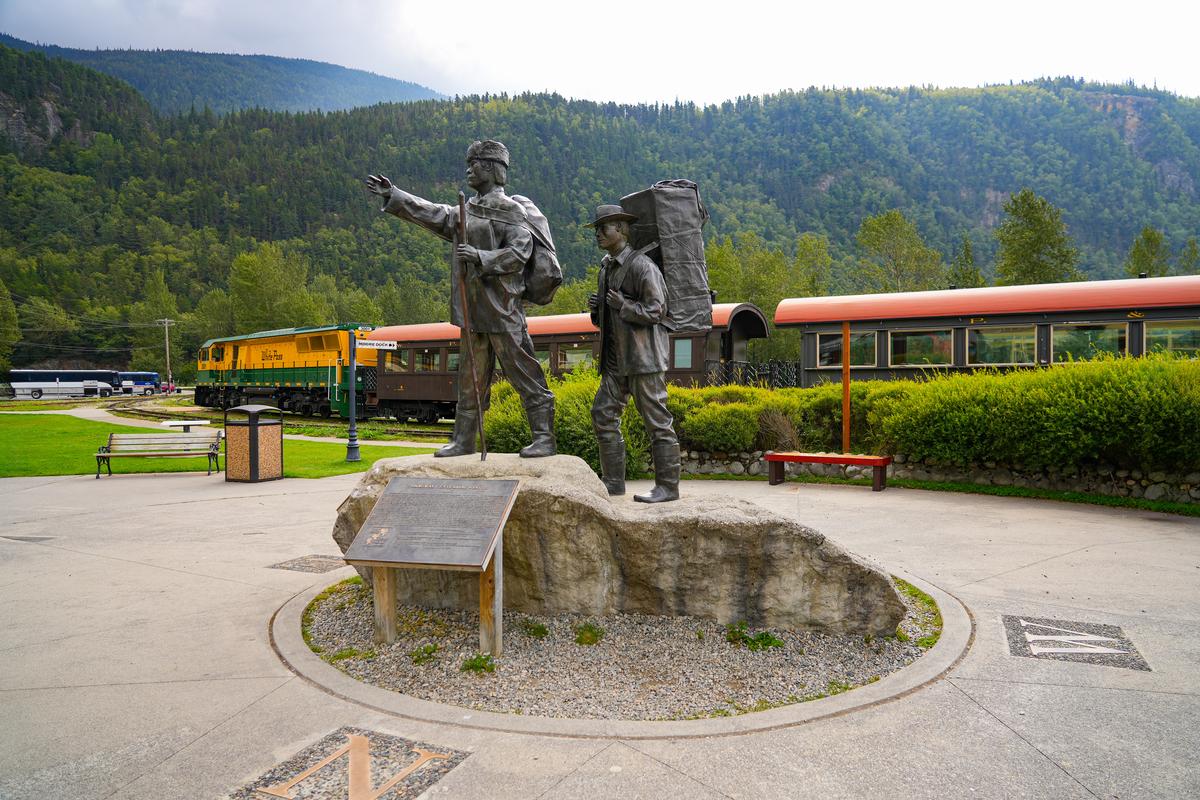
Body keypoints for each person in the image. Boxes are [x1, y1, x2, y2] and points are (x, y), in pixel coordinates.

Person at [366, 140, 555, 458]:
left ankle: (544, 438)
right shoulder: (464, 211)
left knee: (524, 373)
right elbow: (434, 213)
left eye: (476, 163)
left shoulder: (512, 210)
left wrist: (479, 256)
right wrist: (395, 195)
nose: (469, 169)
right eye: (469, 163)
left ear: (494, 170)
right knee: (470, 380)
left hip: (504, 308)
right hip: (472, 310)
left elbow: (519, 254)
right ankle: (464, 440)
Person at [586, 204, 680, 502]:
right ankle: (613, 483)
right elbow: (606, 321)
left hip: (643, 359)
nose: (599, 233)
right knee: (602, 414)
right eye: (597, 228)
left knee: (657, 421)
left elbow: (656, 310)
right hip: (615, 361)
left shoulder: (642, 266)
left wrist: (622, 306)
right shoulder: (605, 269)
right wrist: (597, 309)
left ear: (622, 230)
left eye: (605, 227)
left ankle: (668, 487)